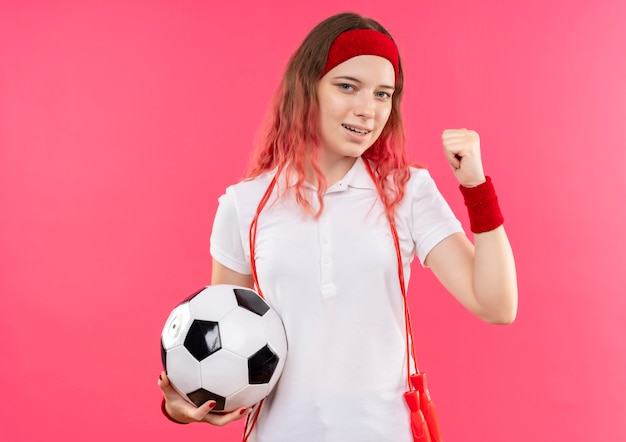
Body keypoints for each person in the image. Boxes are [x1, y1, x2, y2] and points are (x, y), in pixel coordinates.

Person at [158, 11, 517, 442]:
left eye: (383, 94)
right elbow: (223, 342)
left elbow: (497, 305)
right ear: (307, 88)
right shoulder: (244, 204)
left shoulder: (406, 190)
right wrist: (182, 407)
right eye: (347, 86)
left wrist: (476, 187)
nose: (367, 109)